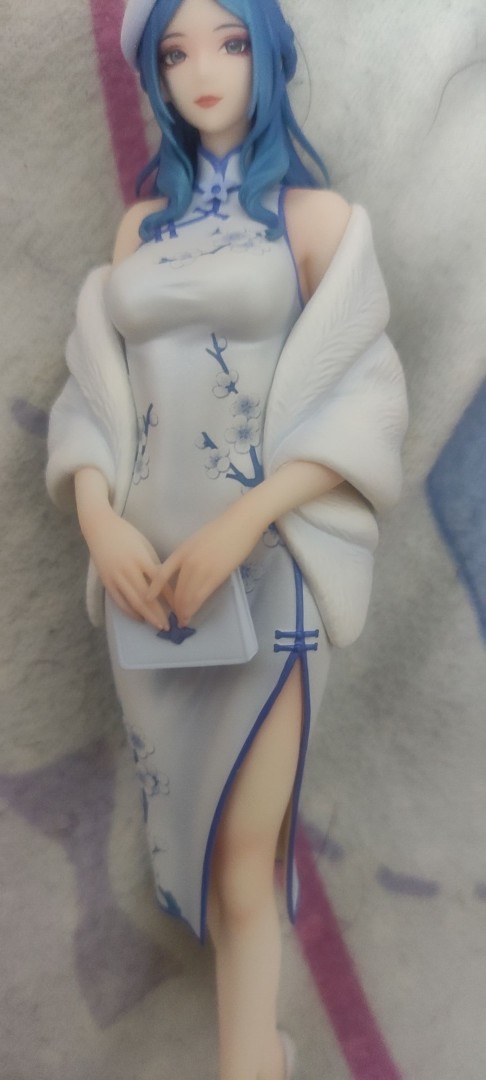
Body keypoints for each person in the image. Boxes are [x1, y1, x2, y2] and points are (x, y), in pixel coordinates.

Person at [46, 0, 408, 1076]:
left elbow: (361, 405)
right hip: (149, 591)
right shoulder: (137, 235)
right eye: (176, 49)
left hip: (266, 577)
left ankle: (251, 1063)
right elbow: (93, 397)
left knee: (248, 857)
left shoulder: (319, 224)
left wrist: (245, 521)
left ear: (270, 52)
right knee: (206, 858)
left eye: (231, 40)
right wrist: (101, 521)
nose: (204, 69)